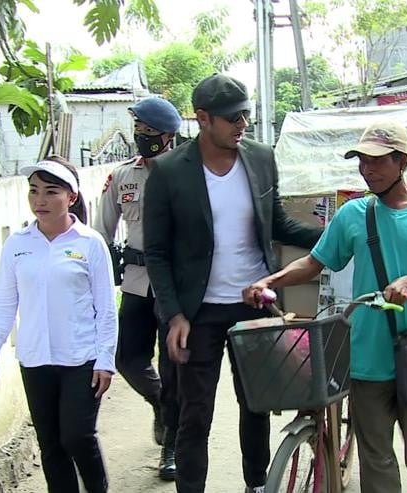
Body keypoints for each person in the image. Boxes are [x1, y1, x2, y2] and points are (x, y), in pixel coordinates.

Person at [243, 120, 407, 493]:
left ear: (402, 163)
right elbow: (314, 262)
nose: (368, 170)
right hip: (366, 358)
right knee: (376, 460)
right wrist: (271, 281)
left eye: (378, 162)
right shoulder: (354, 215)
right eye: (362, 161)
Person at [143, 73, 323, 493]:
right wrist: (174, 315)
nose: (242, 124)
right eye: (232, 118)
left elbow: (277, 224)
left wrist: (335, 237)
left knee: (256, 405)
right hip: (198, 313)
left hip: (254, 303)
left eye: (245, 115)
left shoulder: (260, 158)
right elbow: (157, 253)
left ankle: (256, 485)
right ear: (202, 118)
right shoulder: (170, 171)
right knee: (194, 415)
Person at [0, 155, 117, 493]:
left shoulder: (89, 244)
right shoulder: (18, 245)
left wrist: (105, 360)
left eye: (51, 192)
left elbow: (106, 309)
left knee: (77, 436)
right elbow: (3, 304)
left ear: (71, 197)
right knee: (51, 443)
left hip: (81, 359)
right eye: (34, 191)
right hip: (36, 360)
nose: (39, 200)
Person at [94, 96, 182, 481]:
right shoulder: (121, 176)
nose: (141, 138)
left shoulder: (187, 174)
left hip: (175, 285)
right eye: (138, 131)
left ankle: (172, 447)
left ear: (168, 136)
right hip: (135, 281)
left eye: (150, 133)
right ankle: (161, 403)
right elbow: (100, 233)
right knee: (127, 357)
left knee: (174, 363)